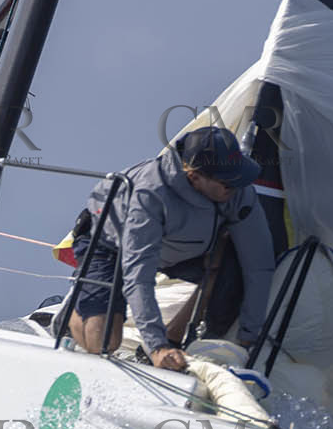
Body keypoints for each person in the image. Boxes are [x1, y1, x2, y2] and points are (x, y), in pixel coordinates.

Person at [66, 125, 275, 372]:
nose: (236, 187)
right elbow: (138, 275)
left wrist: (249, 337)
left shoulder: (237, 192)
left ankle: (178, 341)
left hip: (179, 250)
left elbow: (259, 265)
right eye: (227, 183)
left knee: (233, 268)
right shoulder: (150, 193)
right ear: (195, 177)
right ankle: (70, 315)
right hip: (110, 246)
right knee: (104, 342)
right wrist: (157, 347)